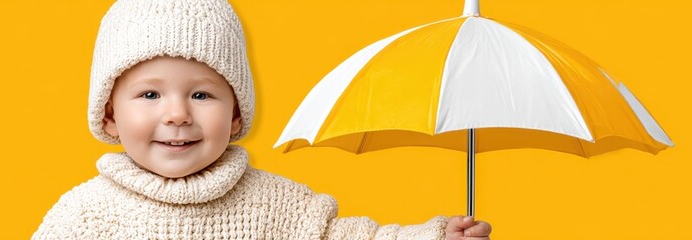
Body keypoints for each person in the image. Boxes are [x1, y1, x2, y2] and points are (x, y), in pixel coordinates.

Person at [32, 0, 492, 239]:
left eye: (201, 94)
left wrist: (432, 237)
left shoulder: (277, 205)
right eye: (150, 94)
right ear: (109, 116)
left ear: (235, 115)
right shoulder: (83, 215)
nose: (177, 114)